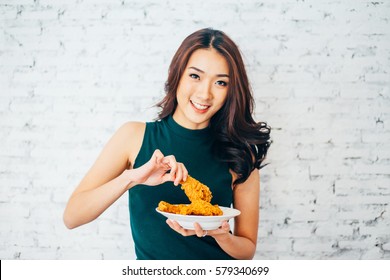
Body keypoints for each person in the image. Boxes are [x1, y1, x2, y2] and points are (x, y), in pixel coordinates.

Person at [63, 28, 271, 260]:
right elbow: (72, 217)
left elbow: (247, 250)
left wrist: (221, 235)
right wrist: (131, 178)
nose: (205, 94)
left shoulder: (241, 154)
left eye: (220, 82)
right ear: (177, 75)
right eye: (195, 76)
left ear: (231, 91)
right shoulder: (134, 136)